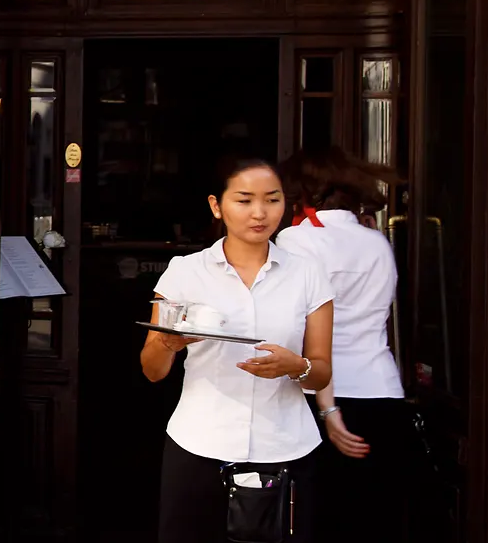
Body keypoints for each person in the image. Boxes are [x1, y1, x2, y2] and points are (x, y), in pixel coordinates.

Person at [140, 157, 335, 543]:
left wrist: (295, 366)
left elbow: (323, 370)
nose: (259, 213)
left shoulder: (308, 273)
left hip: (285, 446)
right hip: (199, 444)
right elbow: (152, 370)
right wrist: (168, 342)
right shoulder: (185, 271)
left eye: (272, 200)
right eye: (244, 200)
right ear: (217, 205)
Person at [277, 146, 418, 541]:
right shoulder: (376, 242)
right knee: (373, 519)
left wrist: (329, 410)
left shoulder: (296, 241)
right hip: (381, 391)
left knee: (319, 520)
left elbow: (304, 332)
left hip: (324, 395)